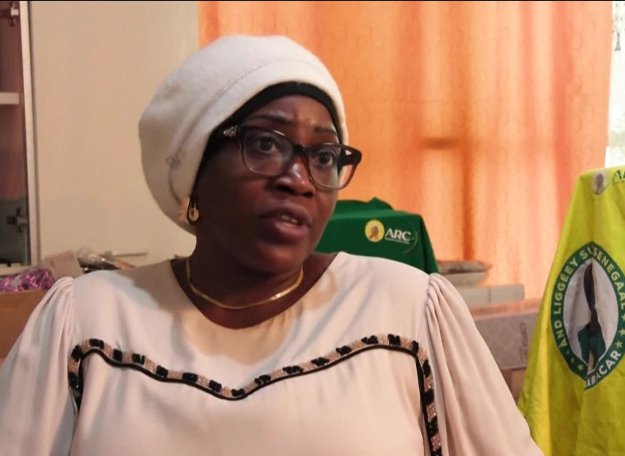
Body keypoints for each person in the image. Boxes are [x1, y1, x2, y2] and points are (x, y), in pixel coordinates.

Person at [0, 35, 541, 455]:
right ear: (193, 172)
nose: (299, 178)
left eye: (324, 156)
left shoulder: (407, 309)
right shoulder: (88, 323)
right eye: (265, 144)